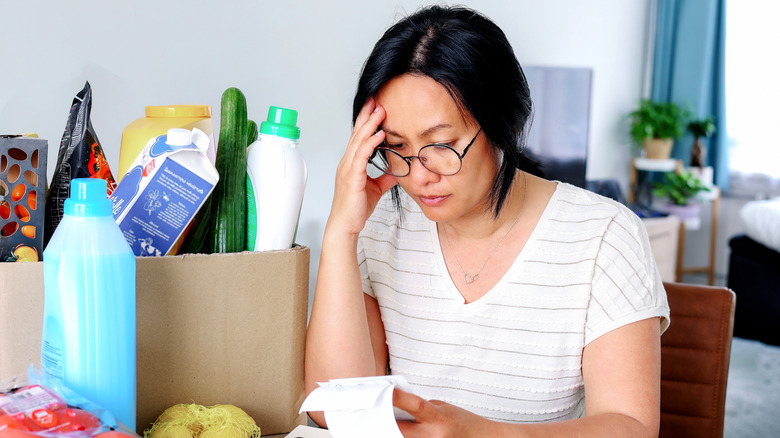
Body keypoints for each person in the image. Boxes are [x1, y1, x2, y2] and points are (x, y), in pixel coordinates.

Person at [305, 4, 670, 437]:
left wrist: (479, 433)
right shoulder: (381, 227)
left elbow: (631, 426)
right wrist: (341, 232)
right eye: (396, 147)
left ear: (508, 125)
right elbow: (333, 410)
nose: (418, 174)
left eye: (441, 144)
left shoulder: (604, 235)